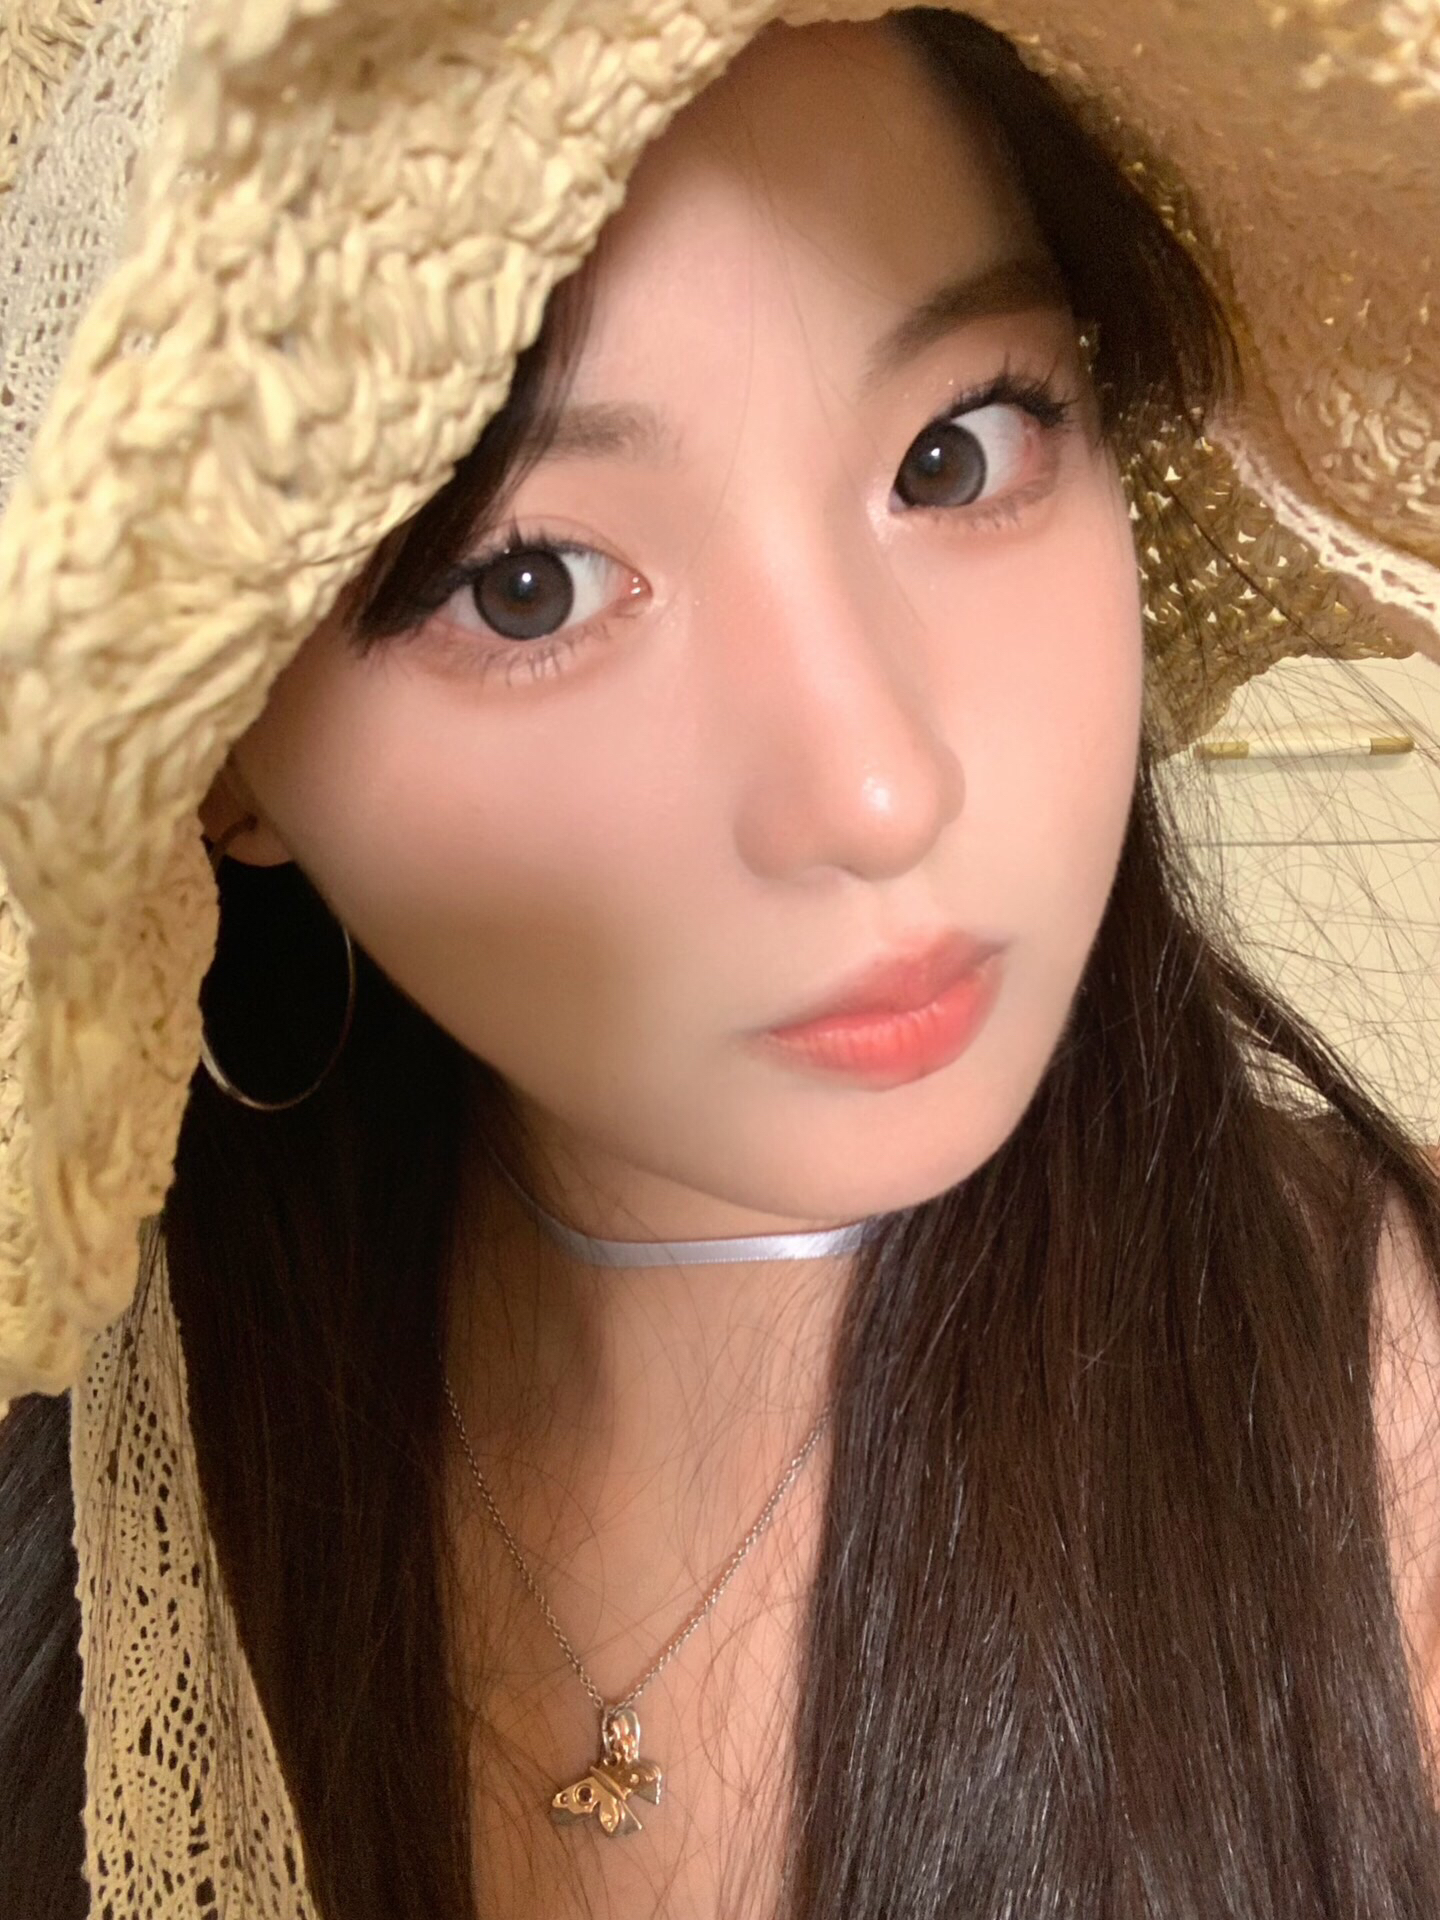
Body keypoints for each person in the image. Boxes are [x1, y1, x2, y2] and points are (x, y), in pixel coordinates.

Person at [1, 3, 1438, 1918]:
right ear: (220, 754)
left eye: (956, 452)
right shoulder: (96, 1454)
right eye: (530, 583)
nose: (878, 788)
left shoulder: (1385, 1426)